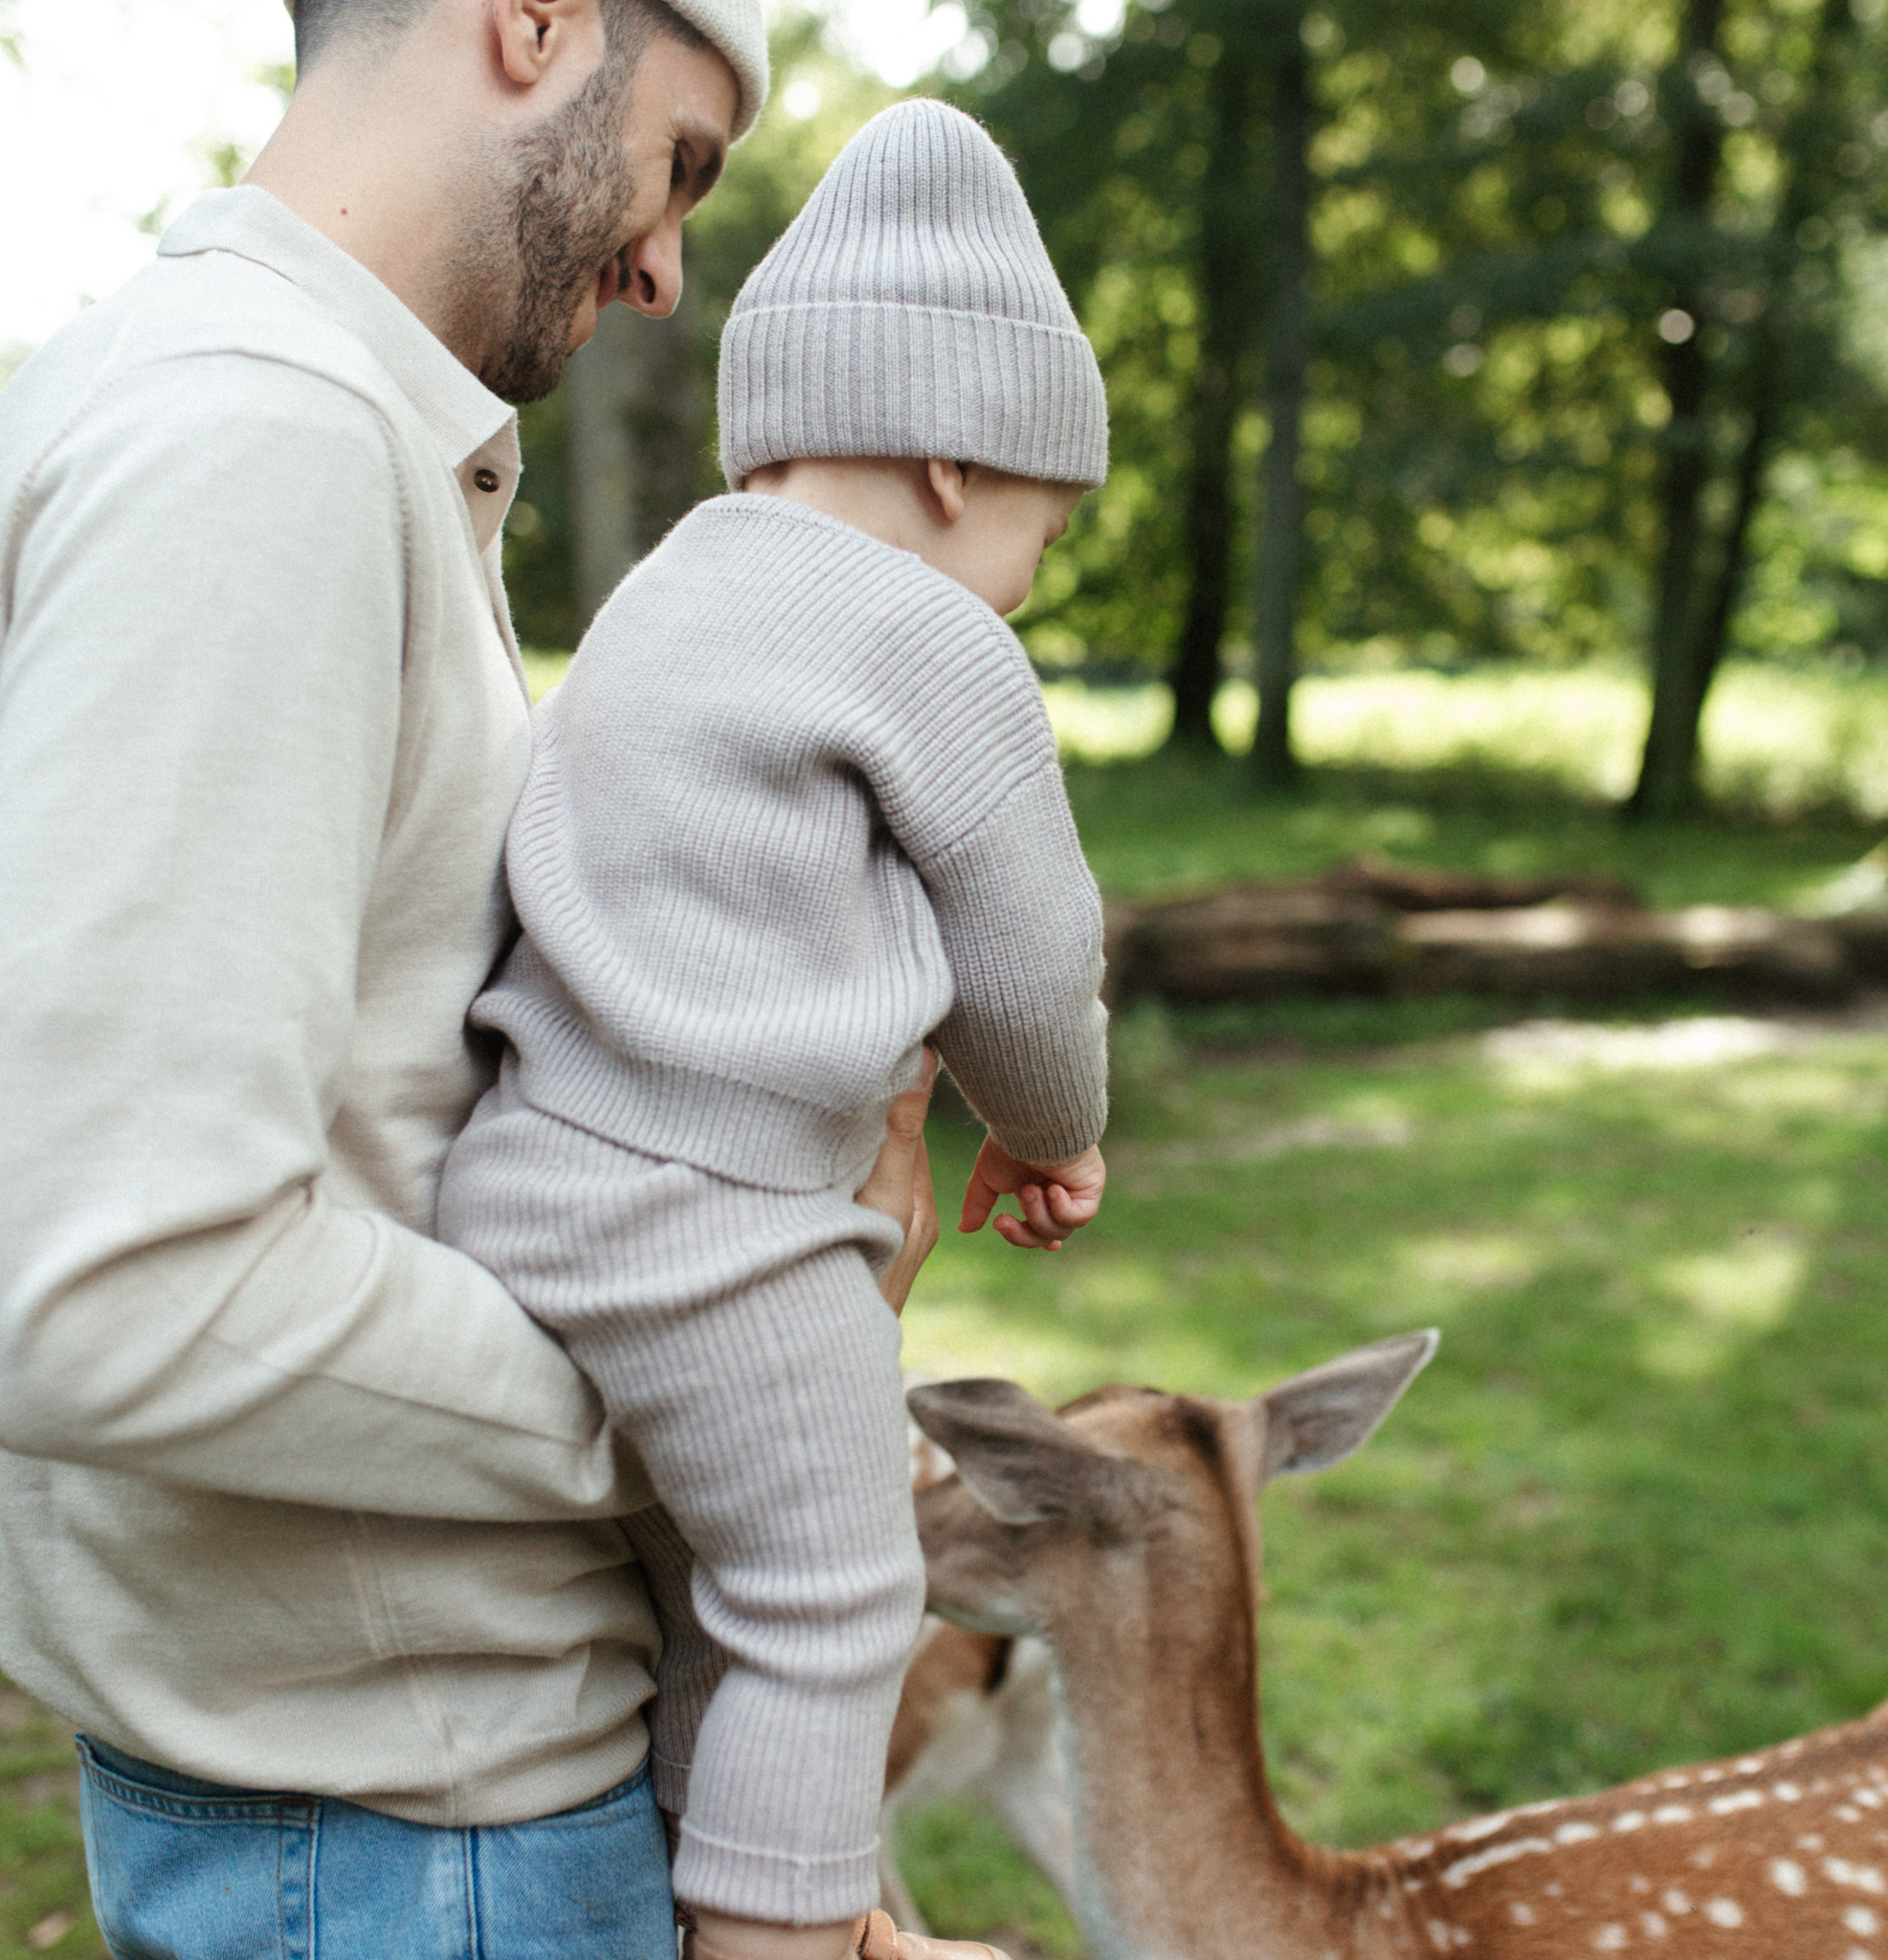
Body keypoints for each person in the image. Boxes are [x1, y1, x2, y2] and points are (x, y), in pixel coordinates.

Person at [0, 2, 934, 1953]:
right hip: (420, 1840)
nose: (672, 264)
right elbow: (111, 1275)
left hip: (339, 1805)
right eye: (680, 159)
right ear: (534, 23)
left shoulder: (150, 394)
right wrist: (720, 1396)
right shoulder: (260, 442)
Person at [437, 98, 1111, 1960]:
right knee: (829, 1594)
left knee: (706, 1597)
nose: (1029, 580)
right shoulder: (931, 635)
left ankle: (749, 1902)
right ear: (961, 463)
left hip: (521, 1192)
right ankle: (798, 1944)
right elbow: (1032, 951)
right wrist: (1052, 1125)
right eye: (1050, 529)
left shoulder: (664, 592)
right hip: (725, 1233)